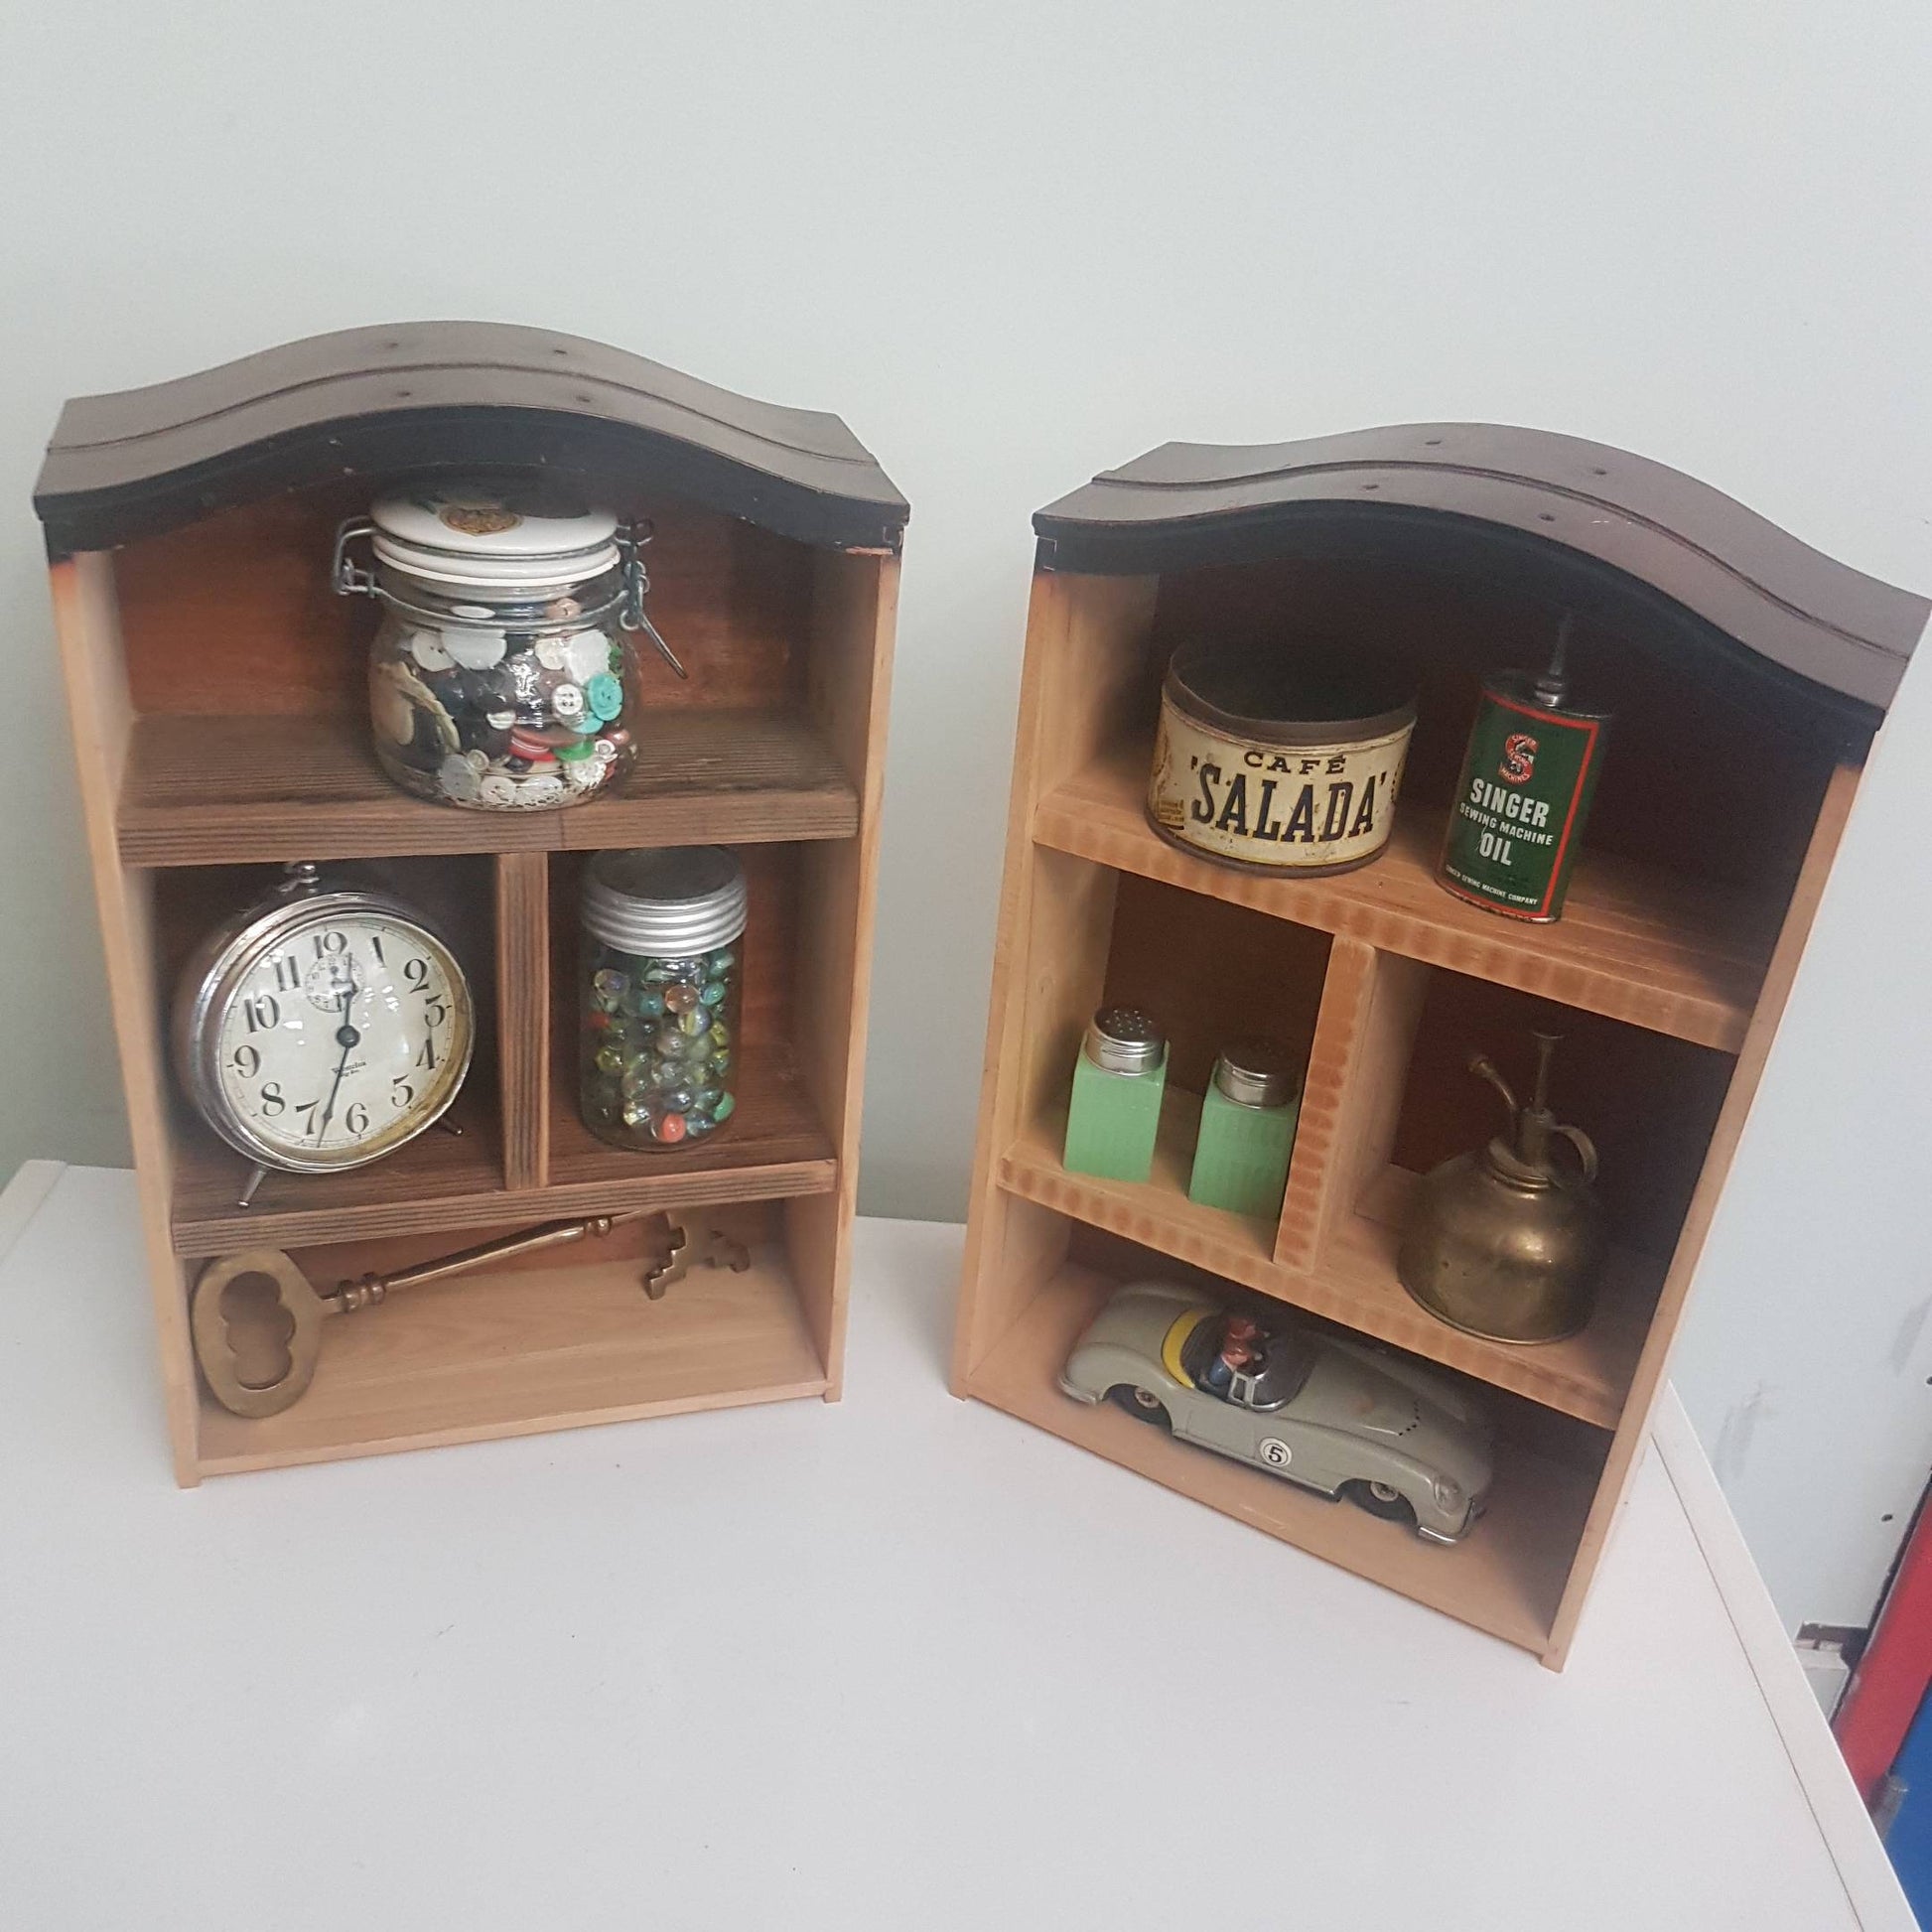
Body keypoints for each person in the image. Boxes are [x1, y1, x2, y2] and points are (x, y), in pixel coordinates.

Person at [1199, 1314, 1262, 1397]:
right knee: (1216, 1380)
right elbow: (1242, 1351)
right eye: (1251, 1327)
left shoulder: (1248, 1339)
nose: (1253, 1330)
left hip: (1240, 1367)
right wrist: (1252, 1354)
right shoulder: (1232, 1341)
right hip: (1227, 1366)